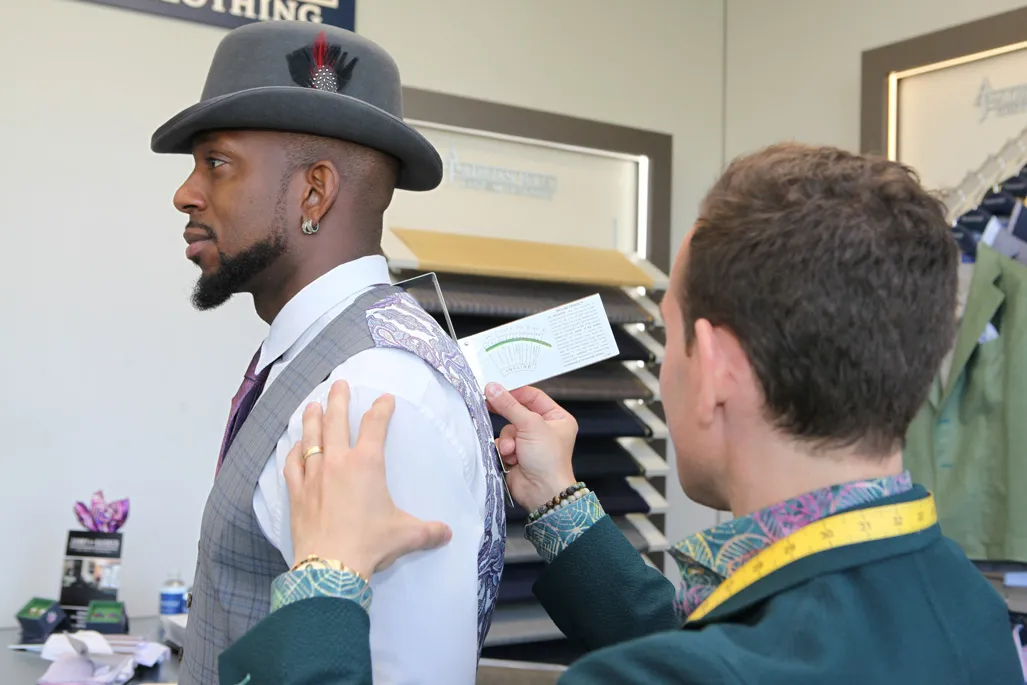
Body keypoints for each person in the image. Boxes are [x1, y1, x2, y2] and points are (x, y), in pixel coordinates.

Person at [218, 143, 1025, 685]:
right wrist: (562, 505)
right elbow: (693, 634)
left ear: (711, 367)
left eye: (667, 333)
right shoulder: (969, 611)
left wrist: (323, 581)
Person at [152, 21, 505, 685]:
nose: (186, 192)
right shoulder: (315, 354)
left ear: (314, 191)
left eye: (216, 162)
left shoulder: (374, 392)